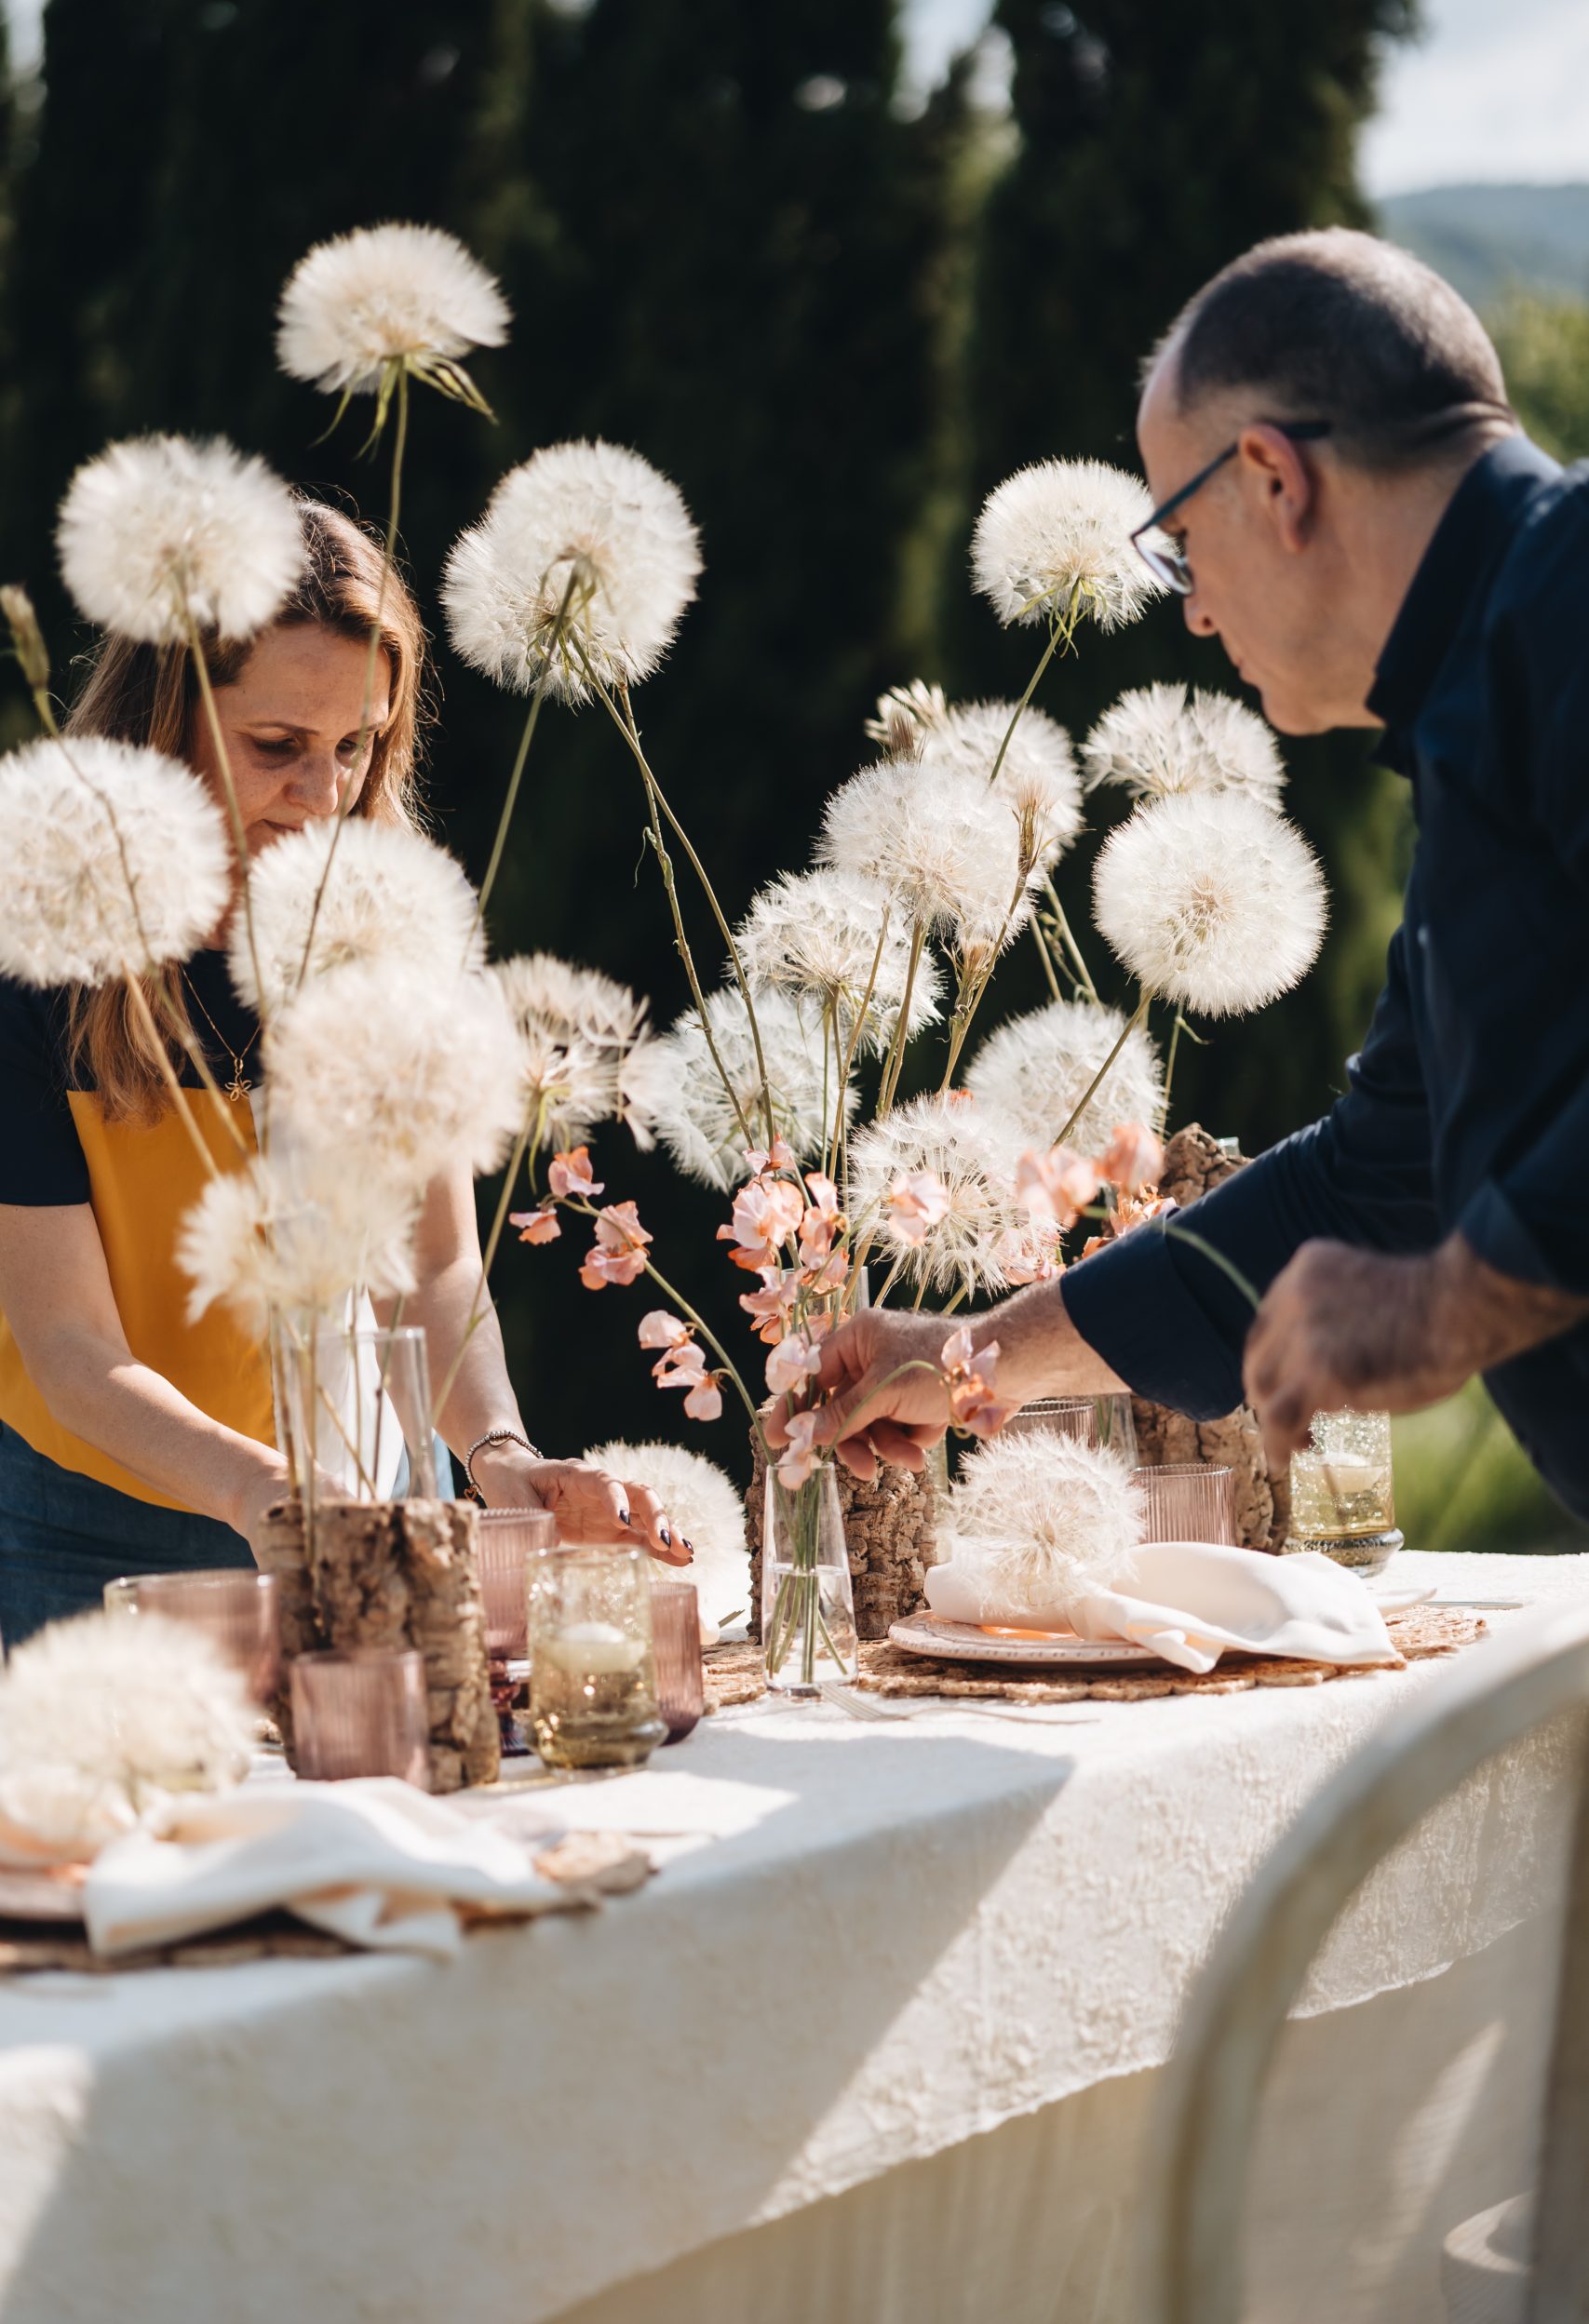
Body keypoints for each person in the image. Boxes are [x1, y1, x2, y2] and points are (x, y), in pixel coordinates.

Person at [779, 229, 1589, 1521]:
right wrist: (970, 1356)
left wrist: (1452, 1301)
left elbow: (1426, 1241)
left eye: (1175, 546)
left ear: (1270, 476)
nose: (1194, 611)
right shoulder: (1483, 692)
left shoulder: (1568, 595)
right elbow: (1371, 1181)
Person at [0, 499, 683, 1646]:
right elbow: (69, 1349)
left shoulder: (399, 945)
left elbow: (432, 1269)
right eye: (278, 747)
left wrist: (500, 1453)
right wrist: (259, 1491)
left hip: (364, 1510)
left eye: (355, 746)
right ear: (167, 716)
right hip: (85, 1542)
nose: (324, 796)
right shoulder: (40, 960)